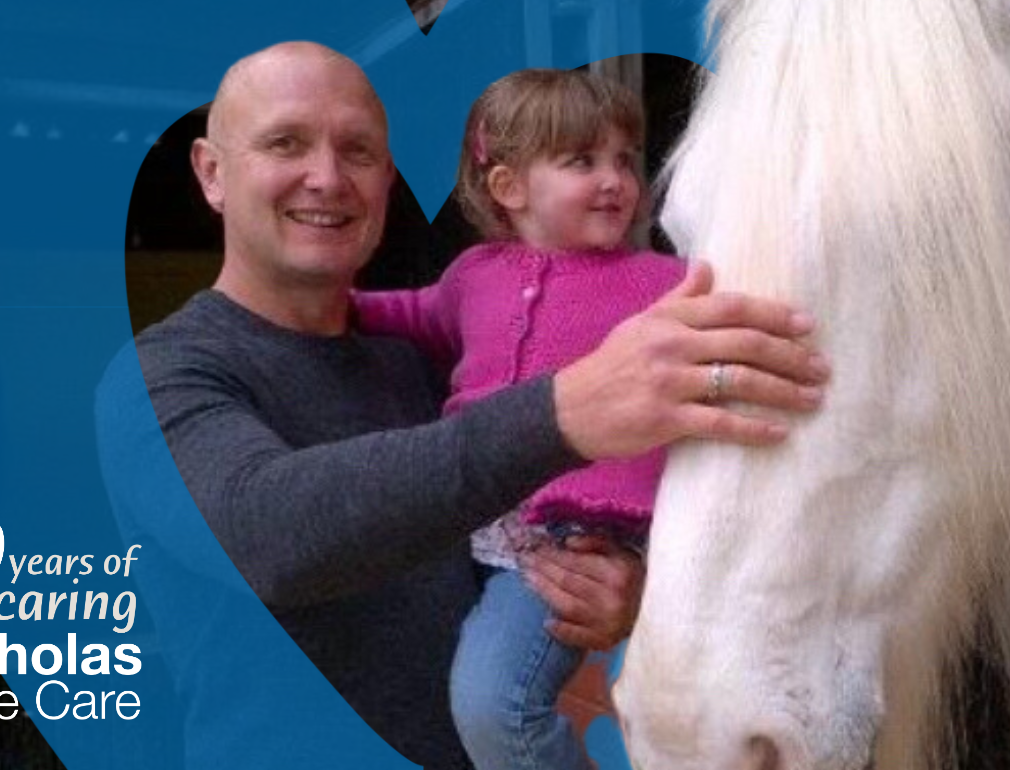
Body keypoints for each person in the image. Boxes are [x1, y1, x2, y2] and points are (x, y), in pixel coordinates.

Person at [124, 41, 828, 769]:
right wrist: (561, 413)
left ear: (387, 181)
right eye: (285, 143)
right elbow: (266, 536)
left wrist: (623, 591)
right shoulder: (164, 373)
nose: (327, 177)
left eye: (359, 152)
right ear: (212, 172)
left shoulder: (428, 354)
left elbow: (493, 539)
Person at [352, 68, 684, 770]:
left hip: (570, 542)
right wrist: (339, 308)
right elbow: (416, 312)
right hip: (477, 528)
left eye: (625, 159)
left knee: (495, 707)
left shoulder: (660, 281)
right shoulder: (475, 274)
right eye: (581, 161)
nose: (614, 180)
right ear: (509, 187)